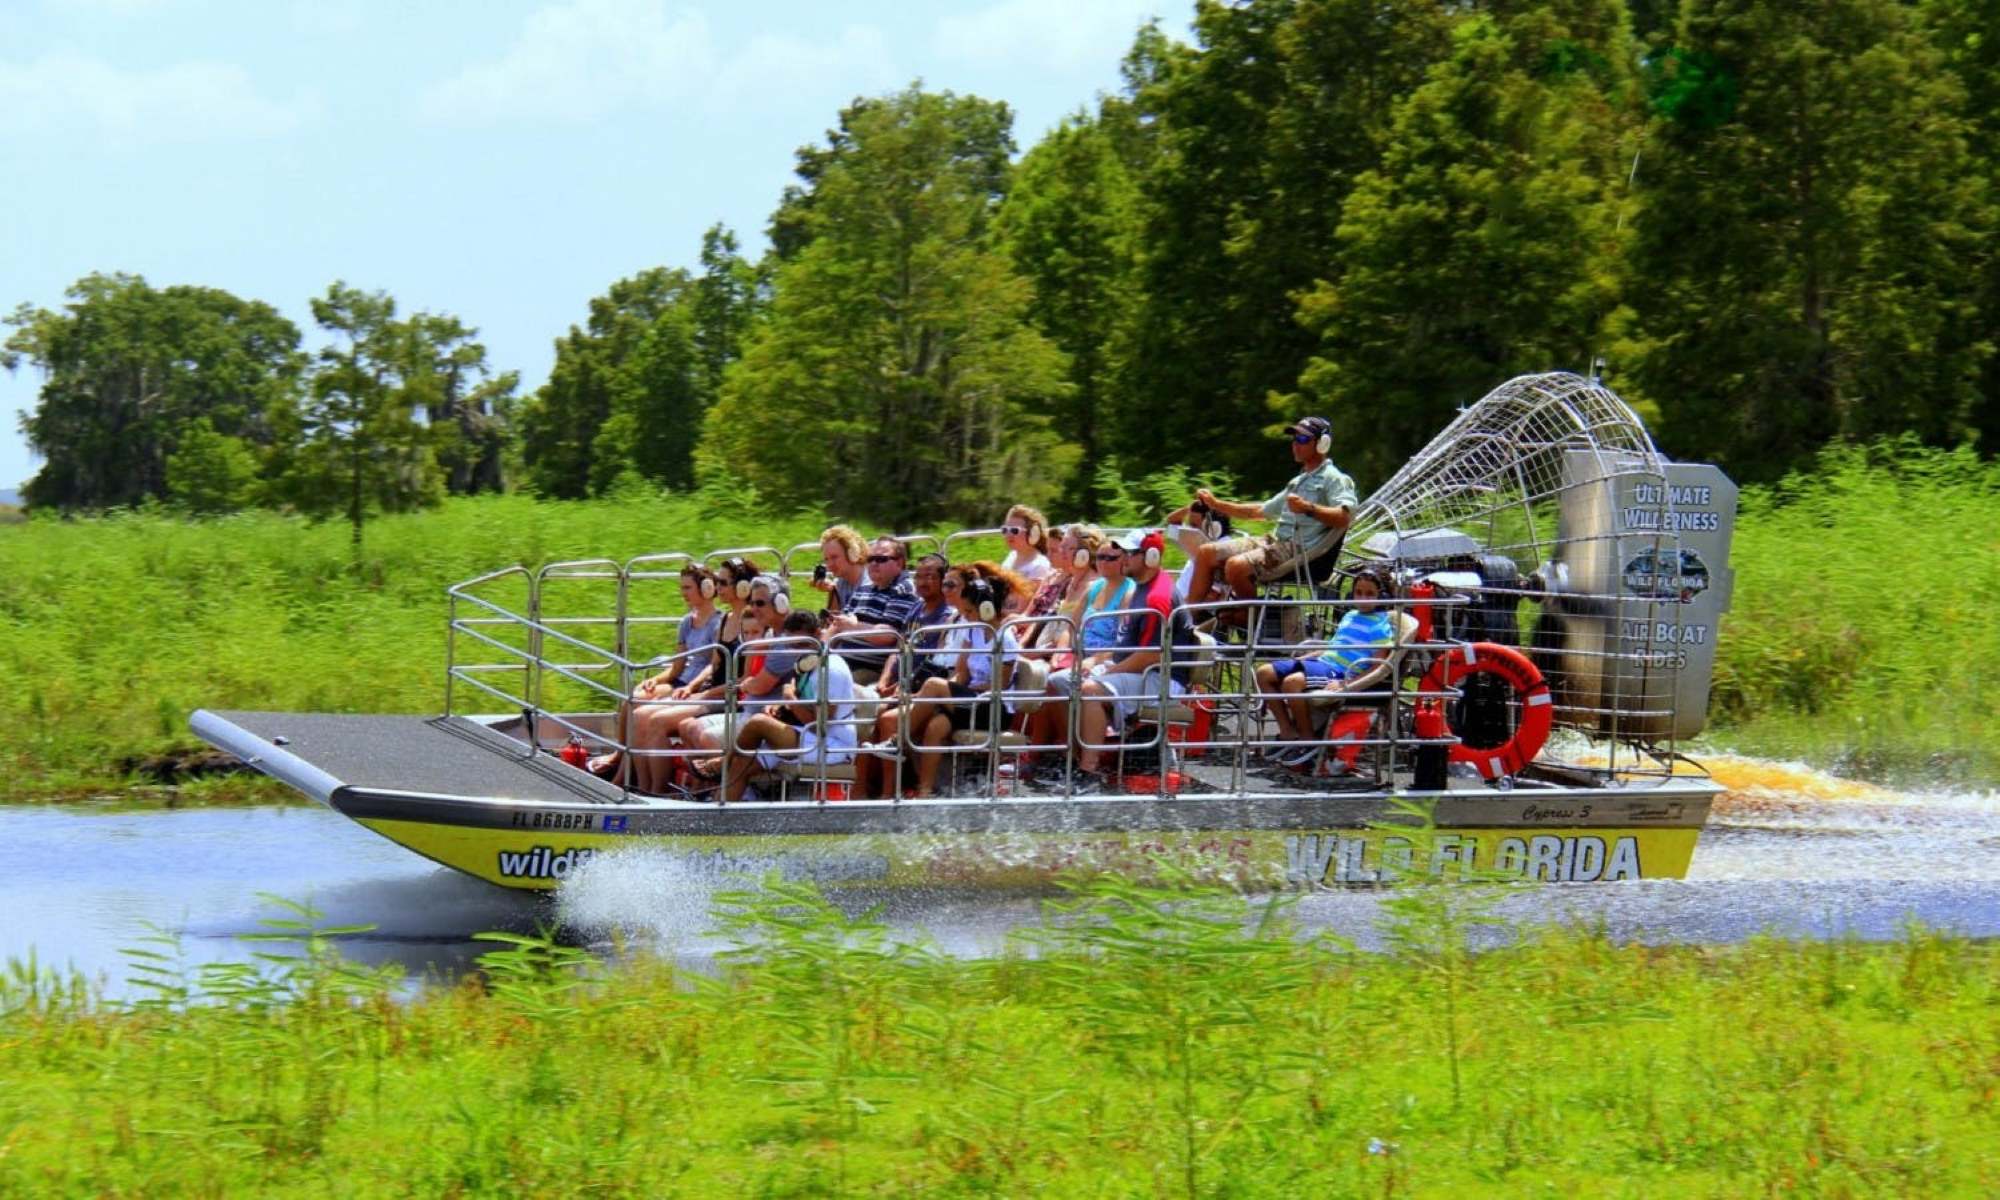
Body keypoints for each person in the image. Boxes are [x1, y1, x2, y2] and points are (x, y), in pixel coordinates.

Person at [1029, 530, 1199, 792]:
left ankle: (1089, 771)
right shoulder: (1142, 589)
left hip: (1161, 677)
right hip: (1135, 669)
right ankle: (1071, 761)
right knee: (1059, 681)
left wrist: (1104, 672)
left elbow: (1152, 655)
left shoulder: (1157, 597)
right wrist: (1098, 663)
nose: (1125, 559)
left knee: (1090, 689)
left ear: (1152, 557)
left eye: (1130, 554)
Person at [1182, 416, 1357, 611]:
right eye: (1294, 439)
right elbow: (1259, 511)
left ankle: (1248, 619)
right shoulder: (1298, 481)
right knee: (1206, 552)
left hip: (1298, 549)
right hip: (1274, 542)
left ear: (1322, 444)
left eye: (1302, 440)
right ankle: (1189, 620)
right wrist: (1216, 503)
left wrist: (1308, 508)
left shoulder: (1335, 479)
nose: (1295, 445)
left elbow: (1345, 516)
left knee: (1236, 566)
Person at [891, 563, 1026, 795]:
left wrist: (943, 692)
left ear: (985, 610)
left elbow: (998, 686)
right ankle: (925, 791)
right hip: (971, 700)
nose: (967, 617)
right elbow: (962, 674)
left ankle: (896, 742)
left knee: (934, 684)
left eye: (970, 612)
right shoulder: (973, 630)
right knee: (936, 726)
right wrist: (940, 694)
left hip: (993, 707)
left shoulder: (1006, 639)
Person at [589, 563, 723, 781]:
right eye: (682, 588)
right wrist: (655, 680)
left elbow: (713, 666)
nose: (683, 593)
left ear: (707, 589)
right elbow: (678, 665)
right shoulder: (687, 622)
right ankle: (620, 755)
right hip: (681, 680)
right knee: (632, 699)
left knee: (641, 714)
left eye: (687, 588)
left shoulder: (718, 623)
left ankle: (627, 774)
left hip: (696, 686)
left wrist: (691, 686)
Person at [1253, 566, 1399, 766]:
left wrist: (1346, 684)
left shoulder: (1380, 626)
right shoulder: (1350, 616)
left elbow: (1378, 667)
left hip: (1339, 672)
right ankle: (1288, 731)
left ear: (1381, 596)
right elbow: (1334, 647)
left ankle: (1308, 739)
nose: (1362, 598)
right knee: (1264, 672)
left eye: (1370, 594)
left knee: (1292, 683)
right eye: (1358, 592)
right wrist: (1308, 657)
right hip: (1323, 662)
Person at [711, 609, 858, 804]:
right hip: (807, 735)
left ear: (817, 635)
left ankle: (723, 761)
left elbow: (821, 724)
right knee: (743, 762)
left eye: (801, 644)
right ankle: (719, 810)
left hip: (832, 744)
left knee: (758, 723)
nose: (797, 650)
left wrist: (790, 700)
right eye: (792, 645)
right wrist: (779, 705)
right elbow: (801, 698)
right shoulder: (806, 663)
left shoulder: (832, 668)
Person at [674, 575, 801, 775]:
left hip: (762, 717)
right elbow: (747, 679)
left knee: (705, 736)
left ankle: (728, 792)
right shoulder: (767, 638)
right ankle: (702, 790)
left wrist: (741, 686)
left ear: (781, 603)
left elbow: (756, 684)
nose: (754, 608)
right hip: (745, 708)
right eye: (752, 602)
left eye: (760, 603)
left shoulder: (784, 643)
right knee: (687, 726)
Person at [823, 537, 922, 684]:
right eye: (871, 559)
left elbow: (887, 635)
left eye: (881, 559)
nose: (874, 563)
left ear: (899, 562)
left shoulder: (903, 589)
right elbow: (838, 625)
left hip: (871, 669)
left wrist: (853, 626)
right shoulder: (864, 588)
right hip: (842, 661)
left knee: (826, 685)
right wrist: (820, 652)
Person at [812, 525, 868, 613]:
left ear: (852, 554)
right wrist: (833, 591)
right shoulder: (839, 583)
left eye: (834, 557)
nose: (829, 565)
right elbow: (831, 622)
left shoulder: (870, 583)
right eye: (826, 559)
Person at [998, 505, 1052, 582]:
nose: (1008, 535)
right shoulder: (1012, 556)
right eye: (1005, 530)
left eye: (1015, 530)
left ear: (1033, 533)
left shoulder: (1039, 565)